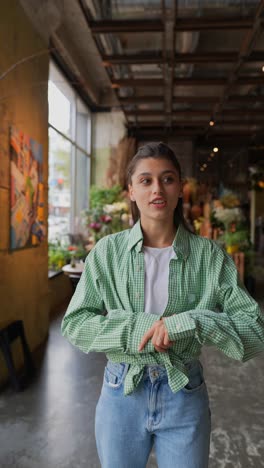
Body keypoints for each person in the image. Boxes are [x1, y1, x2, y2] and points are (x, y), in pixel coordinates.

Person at [61, 142, 264, 468]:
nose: (157, 188)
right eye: (146, 180)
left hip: (184, 393)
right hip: (121, 394)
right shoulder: (106, 253)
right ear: (131, 190)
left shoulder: (209, 257)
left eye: (167, 179)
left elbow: (254, 328)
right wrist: (139, 328)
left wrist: (190, 322)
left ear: (180, 188)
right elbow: (75, 323)